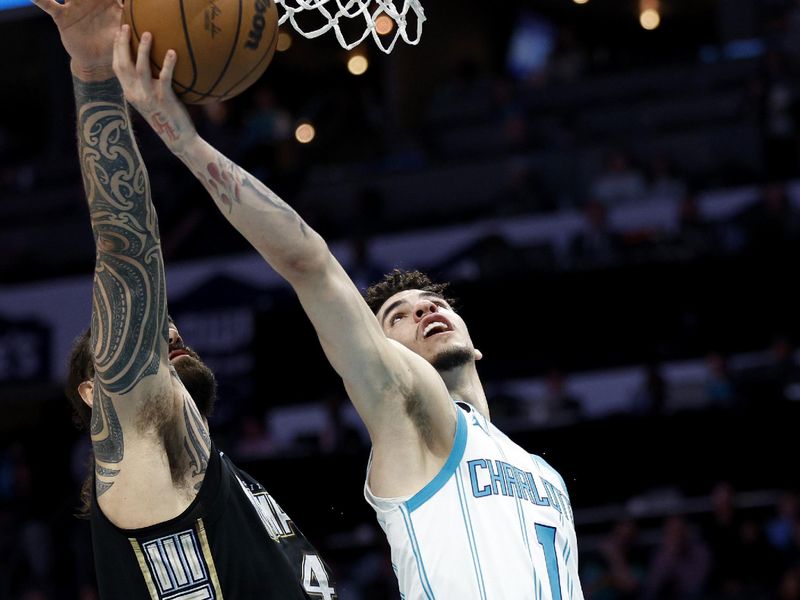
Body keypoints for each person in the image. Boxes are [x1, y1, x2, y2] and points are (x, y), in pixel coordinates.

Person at [108, 17, 585, 598]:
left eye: (433, 303)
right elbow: (310, 263)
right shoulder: (414, 417)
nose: (424, 310)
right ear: (379, 353)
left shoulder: (545, 475)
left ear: (474, 338)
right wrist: (181, 135)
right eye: (398, 317)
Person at [33, 0, 336, 597]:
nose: (166, 327)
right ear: (97, 393)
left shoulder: (220, 481)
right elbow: (127, 249)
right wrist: (95, 73)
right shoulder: (135, 462)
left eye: (162, 325)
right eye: (134, 337)